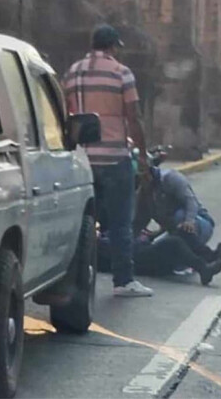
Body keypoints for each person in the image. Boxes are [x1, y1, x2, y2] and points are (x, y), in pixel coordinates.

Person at [62, 24, 154, 297]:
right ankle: (123, 281)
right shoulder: (121, 73)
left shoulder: (72, 73)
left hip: (82, 159)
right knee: (120, 223)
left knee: (83, 223)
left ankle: (77, 279)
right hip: (115, 159)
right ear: (113, 47)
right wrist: (144, 157)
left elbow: (67, 112)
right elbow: (133, 118)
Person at [133, 166, 221, 266]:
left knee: (180, 218)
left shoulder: (170, 178)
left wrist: (189, 220)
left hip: (197, 223)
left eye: (140, 181)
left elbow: (191, 202)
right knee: (169, 246)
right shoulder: (145, 195)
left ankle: (206, 257)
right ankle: (205, 259)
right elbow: (139, 222)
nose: (139, 186)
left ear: (147, 175)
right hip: (174, 231)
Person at [99, 229, 221, 286]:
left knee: (182, 232)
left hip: (141, 246)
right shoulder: (96, 243)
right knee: (174, 242)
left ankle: (210, 256)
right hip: (137, 259)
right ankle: (203, 269)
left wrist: (152, 234)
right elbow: (116, 248)